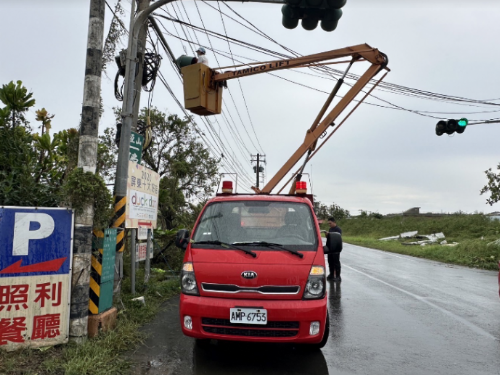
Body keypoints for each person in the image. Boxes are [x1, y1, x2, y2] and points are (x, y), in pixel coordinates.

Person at [326, 217, 342, 281]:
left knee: (336, 262)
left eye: (330, 223)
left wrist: (330, 234)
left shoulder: (338, 230)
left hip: (336, 248)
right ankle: (331, 274)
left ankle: (338, 276)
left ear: (334, 222)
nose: (329, 225)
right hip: (330, 248)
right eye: (329, 224)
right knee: (330, 262)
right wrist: (327, 235)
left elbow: (337, 237)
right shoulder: (330, 229)